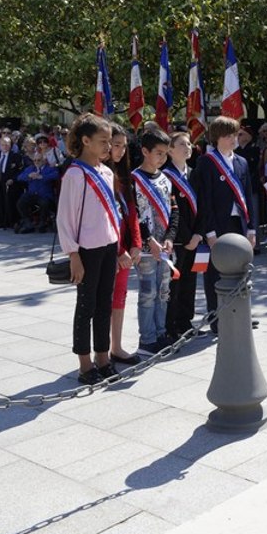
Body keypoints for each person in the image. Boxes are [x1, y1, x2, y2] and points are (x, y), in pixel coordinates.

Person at [57, 113, 120, 385]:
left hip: (109, 246)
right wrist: (73, 255)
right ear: (85, 141)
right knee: (86, 306)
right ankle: (85, 364)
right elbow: (65, 217)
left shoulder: (106, 172)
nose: (108, 147)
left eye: (110, 141)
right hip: (87, 250)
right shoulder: (75, 174)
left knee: (105, 303)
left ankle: (103, 357)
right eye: (103, 141)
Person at [193, 115, 257, 334]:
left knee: (240, 269)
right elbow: (205, 200)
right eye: (229, 136)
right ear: (217, 138)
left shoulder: (241, 162)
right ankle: (217, 319)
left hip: (238, 222)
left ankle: (240, 316)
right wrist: (209, 231)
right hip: (217, 226)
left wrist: (251, 227)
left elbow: (248, 196)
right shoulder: (206, 163)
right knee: (214, 272)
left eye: (235, 135)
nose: (234, 140)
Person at [131, 128, 178, 354]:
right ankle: (147, 339)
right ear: (145, 151)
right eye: (158, 153)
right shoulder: (134, 179)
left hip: (165, 248)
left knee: (163, 292)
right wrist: (149, 240)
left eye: (165, 153)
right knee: (148, 293)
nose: (162, 157)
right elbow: (132, 215)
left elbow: (174, 210)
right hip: (146, 249)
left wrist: (170, 238)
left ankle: (161, 334)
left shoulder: (166, 179)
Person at [106, 126, 142, 364]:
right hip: (109, 249)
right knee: (104, 299)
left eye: (123, 145)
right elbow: (106, 218)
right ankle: (100, 351)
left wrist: (136, 244)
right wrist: (119, 251)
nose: (119, 150)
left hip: (127, 250)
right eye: (115, 145)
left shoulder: (123, 175)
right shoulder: (99, 174)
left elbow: (131, 214)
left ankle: (116, 346)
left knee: (120, 297)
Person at [163, 130, 202, 339]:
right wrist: (187, 237)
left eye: (189, 144)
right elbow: (172, 212)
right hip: (178, 240)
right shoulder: (166, 176)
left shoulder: (194, 174)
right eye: (181, 145)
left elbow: (203, 206)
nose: (187, 148)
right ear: (170, 150)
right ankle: (172, 325)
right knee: (175, 283)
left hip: (196, 239)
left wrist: (198, 235)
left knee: (191, 280)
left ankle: (186, 321)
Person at [15, 153, 58, 233]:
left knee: (44, 203)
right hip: (32, 194)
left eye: (39, 160)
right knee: (21, 202)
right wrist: (29, 176)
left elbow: (56, 175)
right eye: (34, 160)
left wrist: (42, 177)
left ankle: (42, 223)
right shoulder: (31, 168)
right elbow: (19, 177)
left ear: (44, 161)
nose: (36, 162)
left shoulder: (49, 168)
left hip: (44, 195)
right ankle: (28, 223)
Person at [0, 137, 21, 229]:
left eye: (7, 144)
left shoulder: (15, 155)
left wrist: (13, 179)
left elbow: (19, 170)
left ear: (10, 145)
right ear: (0, 145)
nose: (5, 146)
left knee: (9, 202)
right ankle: (1, 222)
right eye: (3, 144)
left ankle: (11, 222)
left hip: (9, 182)